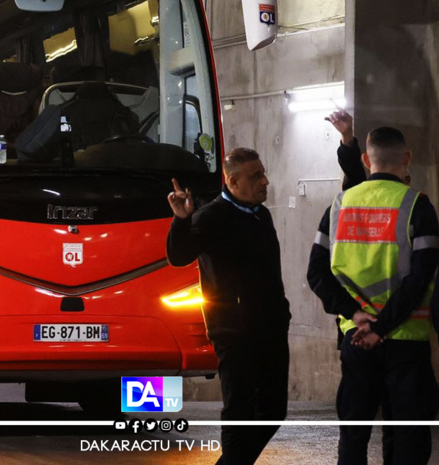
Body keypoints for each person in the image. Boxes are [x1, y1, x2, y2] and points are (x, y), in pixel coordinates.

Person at [307, 126, 439, 465]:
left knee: (354, 433)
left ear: (366, 159)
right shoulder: (418, 207)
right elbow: (421, 278)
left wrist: (355, 315)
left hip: (356, 339)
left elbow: (317, 273)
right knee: (409, 434)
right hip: (406, 341)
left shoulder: (339, 206)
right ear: (406, 158)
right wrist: (384, 326)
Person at [166, 147, 291, 465]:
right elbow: (179, 256)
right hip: (234, 332)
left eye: (263, 173)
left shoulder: (262, 215)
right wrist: (181, 220)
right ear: (232, 181)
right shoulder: (212, 217)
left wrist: (282, 311)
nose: (265, 181)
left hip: (271, 328)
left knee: (273, 410)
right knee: (240, 411)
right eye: (256, 176)